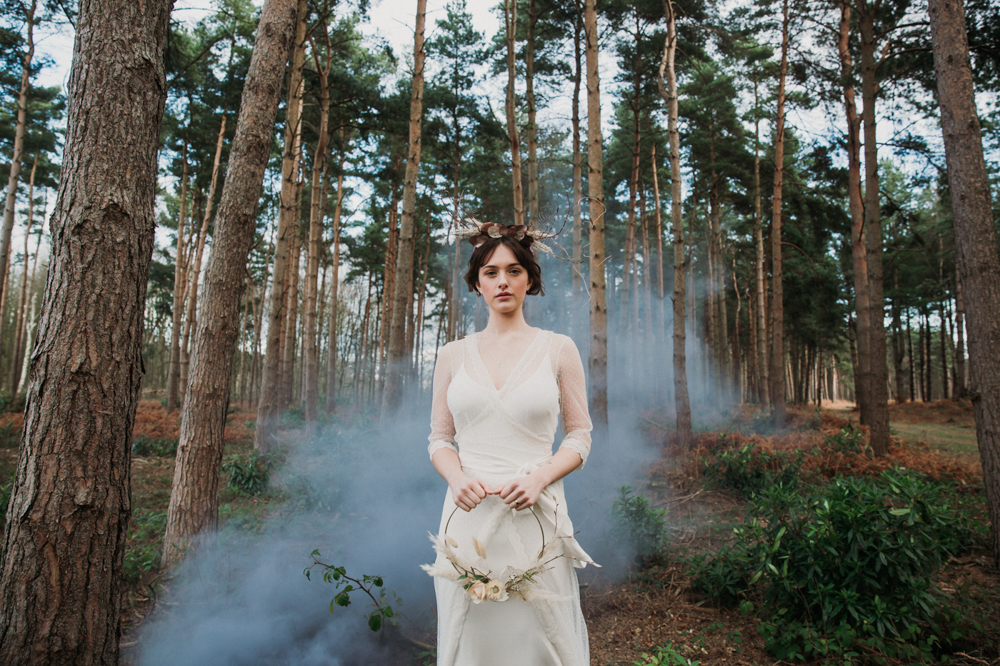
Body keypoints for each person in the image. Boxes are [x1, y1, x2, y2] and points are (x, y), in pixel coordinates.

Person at [426, 222, 594, 666]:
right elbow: (440, 439)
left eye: (514, 270)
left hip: (536, 518)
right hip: (466, 521)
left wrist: (540, 477)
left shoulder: (559, 349)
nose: (503, 281)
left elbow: (580, 436)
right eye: (491, 272)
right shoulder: (451, 355)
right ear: (476, 283)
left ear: (530, 280)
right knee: (472, 645)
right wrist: (457, 477)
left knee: (539, 640)